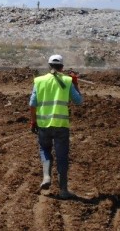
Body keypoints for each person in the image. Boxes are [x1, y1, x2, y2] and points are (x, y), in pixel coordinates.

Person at [29, 54, 83, 199]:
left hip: (44, 124)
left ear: (49, 66)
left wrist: (33, 121)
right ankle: (64, 191)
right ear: (62, 67)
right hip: (61, 125)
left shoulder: (39, 81)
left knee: (44, 149)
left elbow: (32, 104)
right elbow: (78, 101)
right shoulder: (67, 80)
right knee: (62, 157)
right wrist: (75, 83)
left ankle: (46, 177)